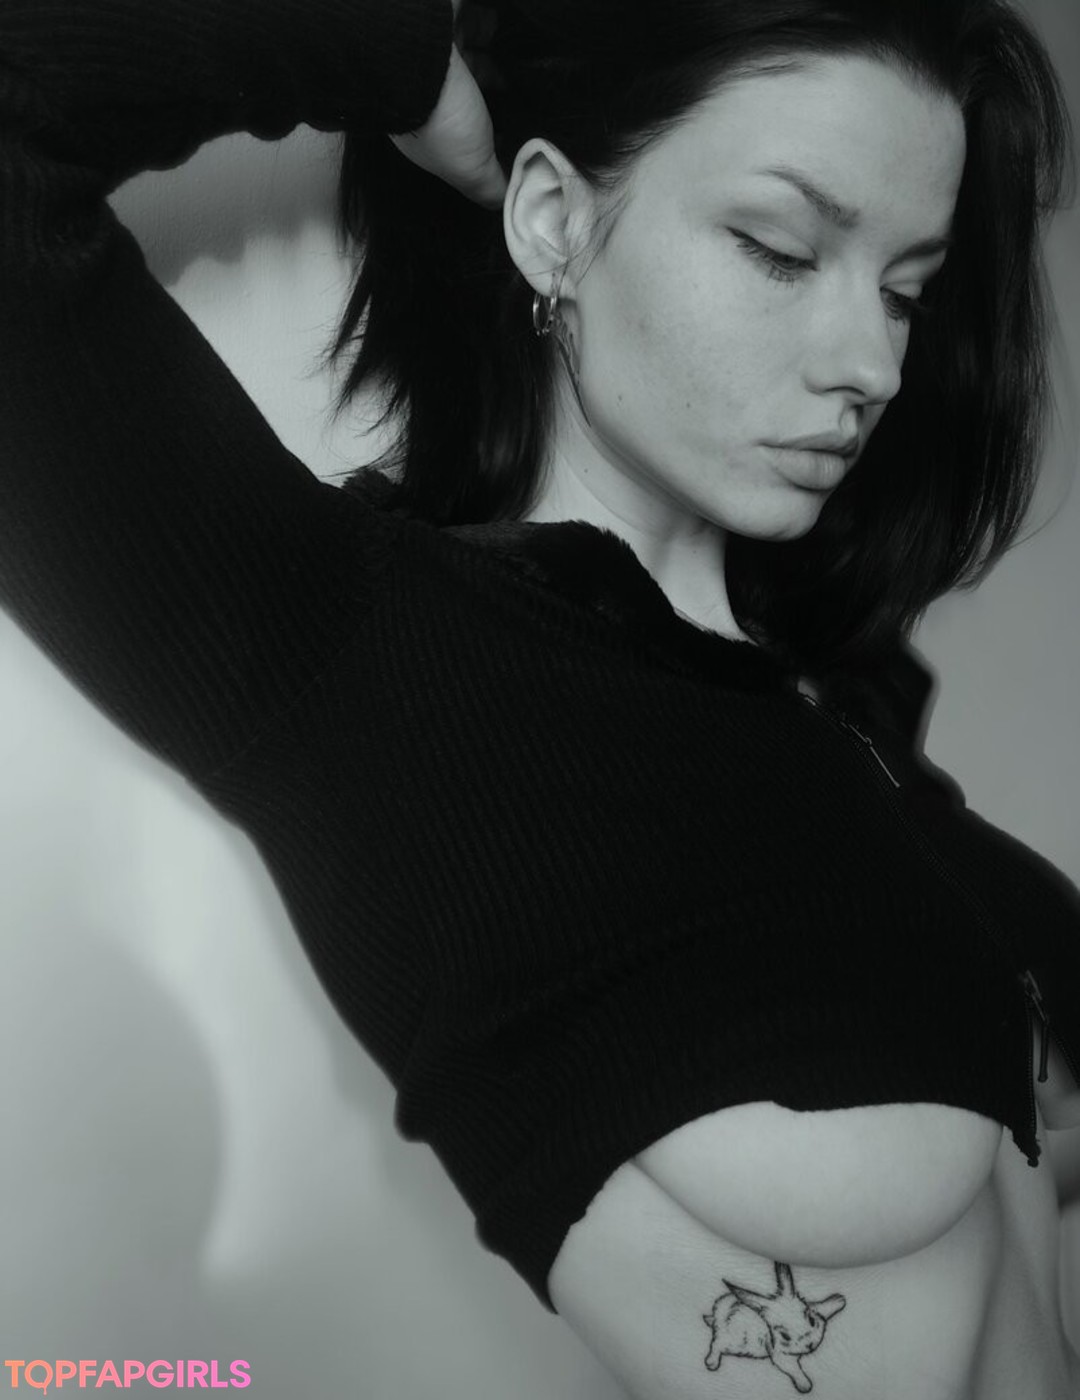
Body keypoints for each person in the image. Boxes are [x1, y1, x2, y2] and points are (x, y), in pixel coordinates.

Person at [1, 0, 1079, 1395]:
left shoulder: (846, 720)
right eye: (780, 247)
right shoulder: (354, 653)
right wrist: (399, 53)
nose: (872, 364)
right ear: (555, 220)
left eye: (905, 290)